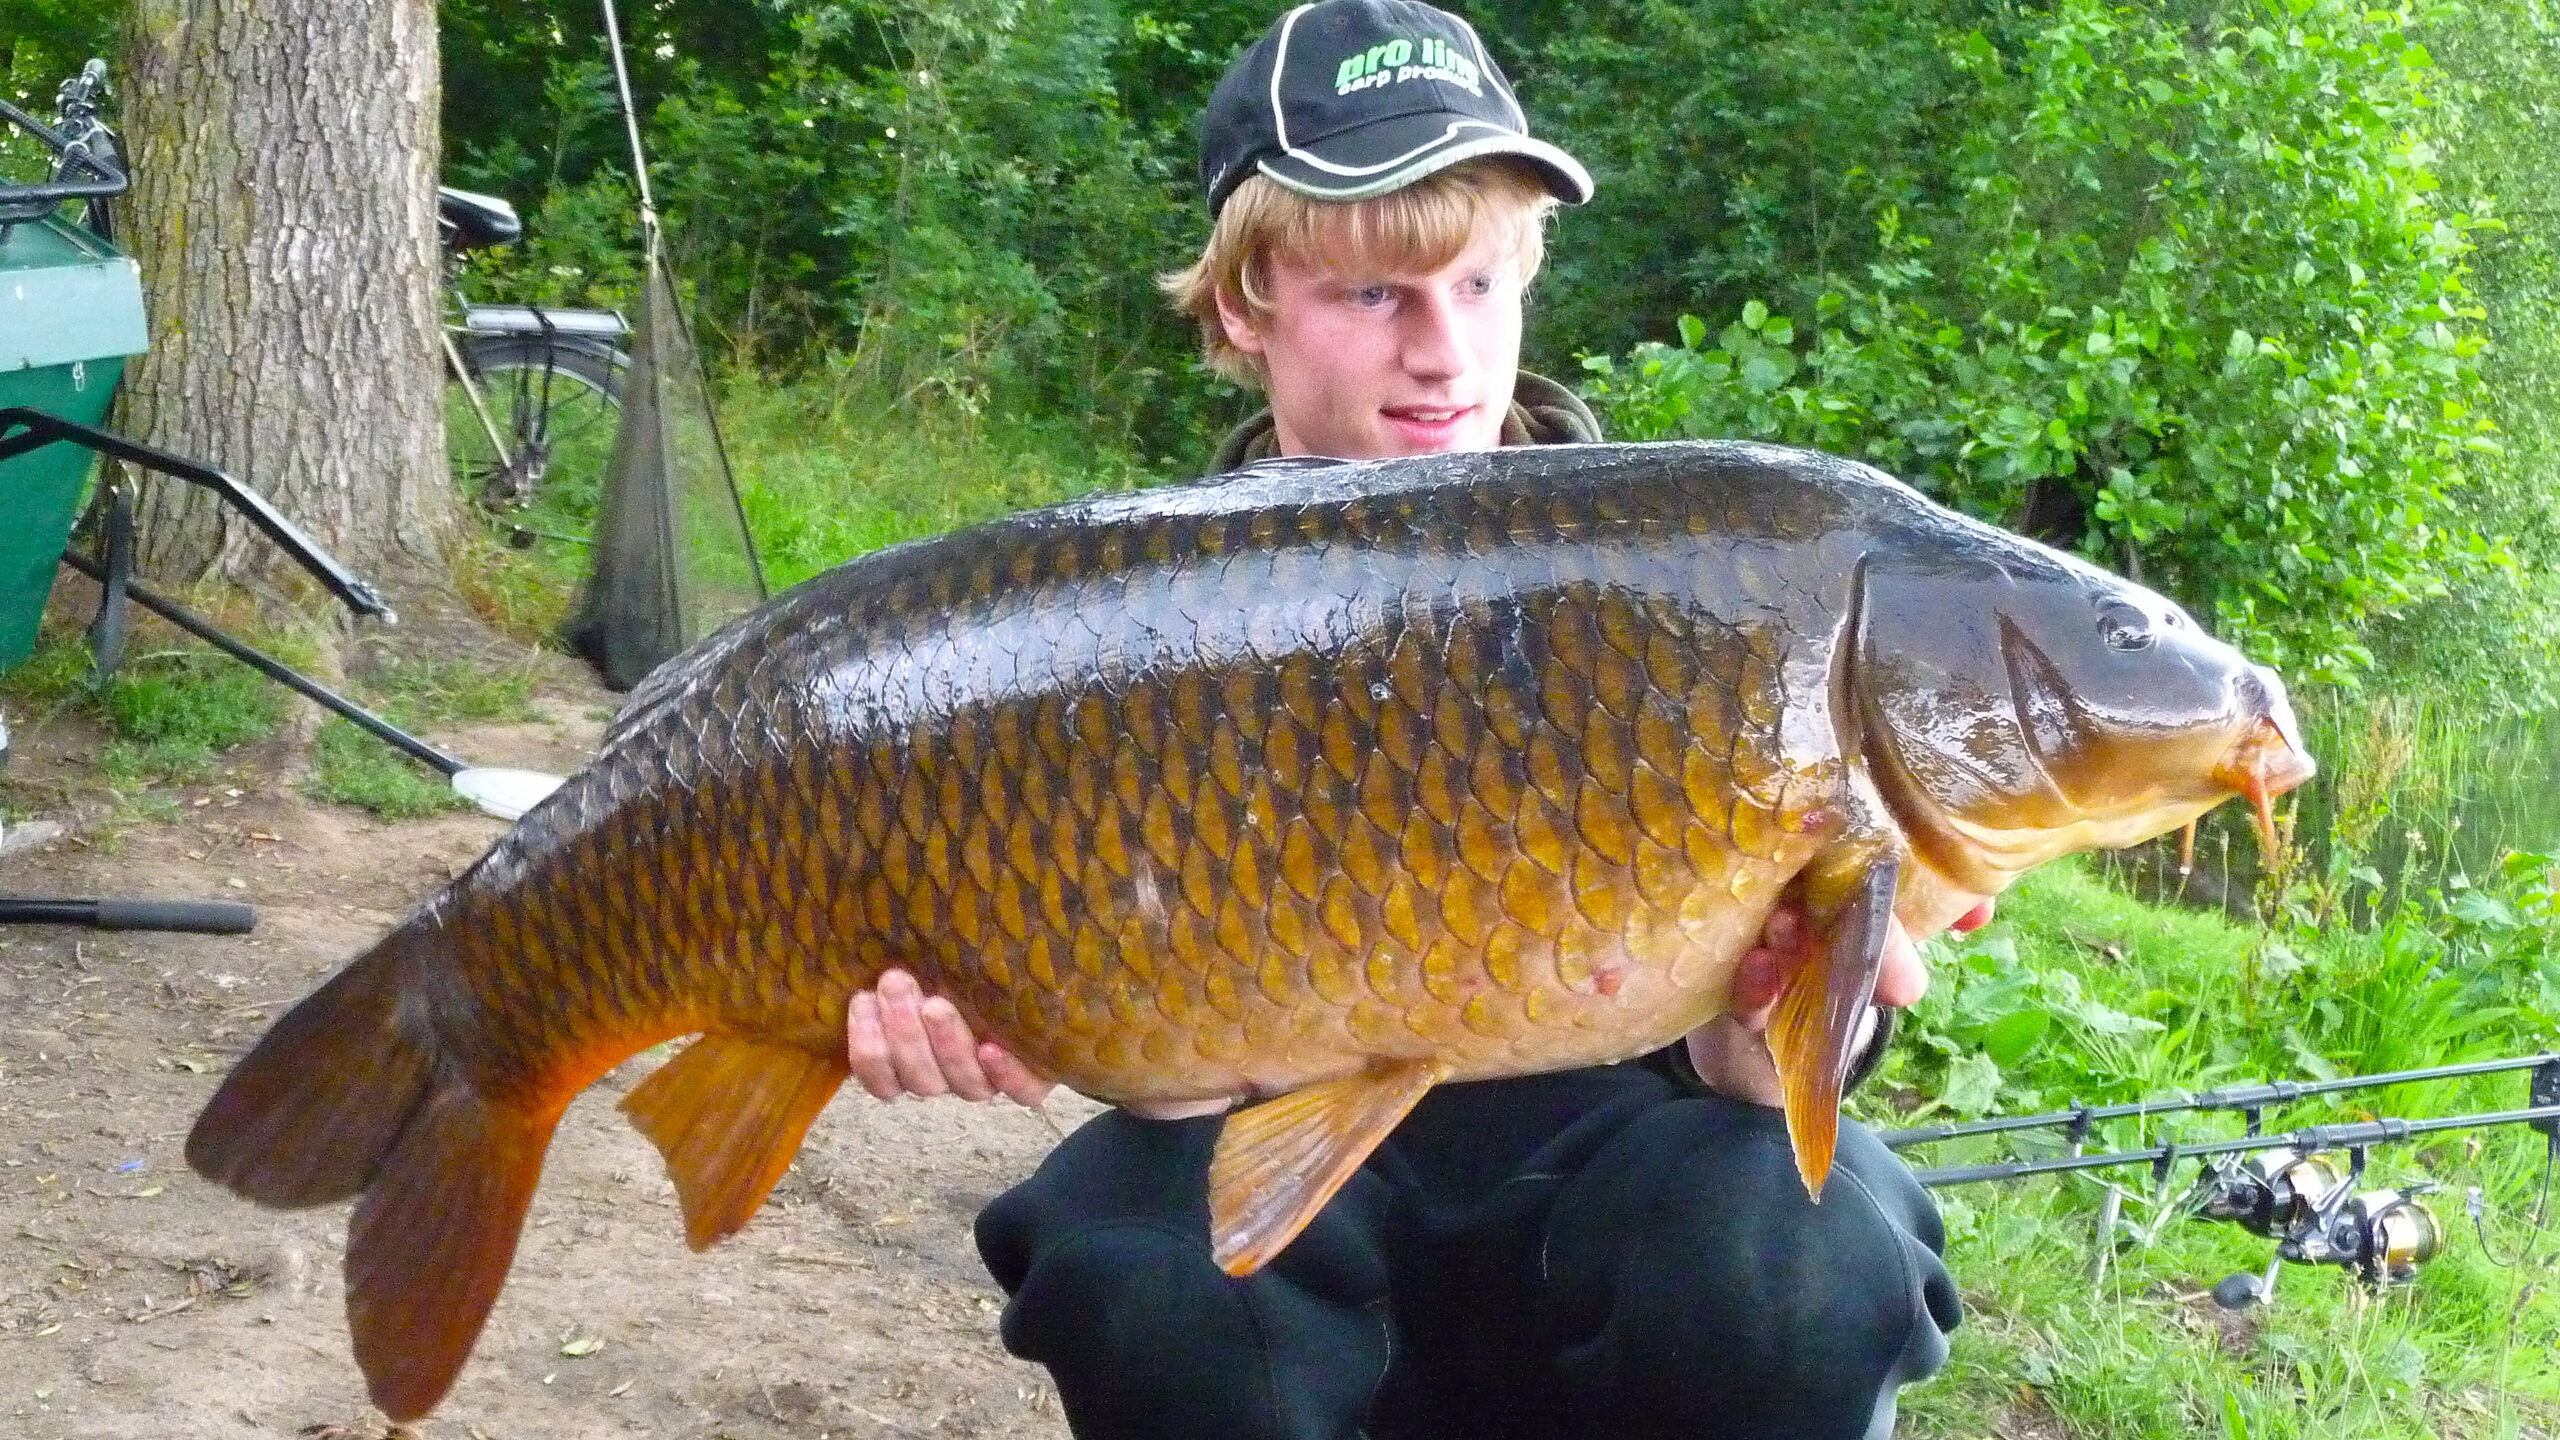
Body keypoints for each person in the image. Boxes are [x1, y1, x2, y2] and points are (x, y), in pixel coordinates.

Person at [843, 4, 1976, 1435]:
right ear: (1246, 304)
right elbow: (1163, 1059)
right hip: (1304, 1200)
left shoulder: (1689, 582)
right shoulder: (1129, 633)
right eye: (1376, 296)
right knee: (1138, 1257)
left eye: (1482, 286)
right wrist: (1023, 1017)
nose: (1444, 352)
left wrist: (1765, 1051)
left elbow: (1776, 1051)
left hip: (1611, 1182)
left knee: (1794, 1247)